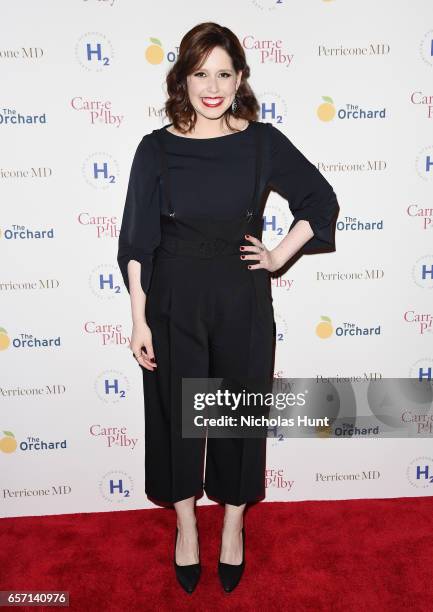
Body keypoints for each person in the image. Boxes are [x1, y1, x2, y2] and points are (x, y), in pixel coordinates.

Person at [117, 22, 339, 594]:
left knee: (237, 416)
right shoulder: (155, 147)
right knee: (177, 421)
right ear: (182, 79)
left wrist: (279, 256)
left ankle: (233, 525)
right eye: (200, 73)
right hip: (171, 302)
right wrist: (139, 317)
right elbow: (138, 240)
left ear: (240, 78)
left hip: (241, 298)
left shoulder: (262, 143)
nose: (211, 86)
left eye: (223, 73)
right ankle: (187, 524)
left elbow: (319, 199)